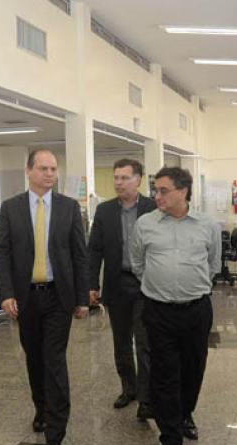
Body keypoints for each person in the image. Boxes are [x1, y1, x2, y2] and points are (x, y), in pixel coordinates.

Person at [0, 149, 89, 445]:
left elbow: (79, 254)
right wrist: (5, 292)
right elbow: (2, 252)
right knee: (34, 358)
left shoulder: (69, 208)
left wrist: (81, 298)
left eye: (53, 169)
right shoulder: (11, 208)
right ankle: (41, 407)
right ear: (28, 171)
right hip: (25, 298)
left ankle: (55, 433)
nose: (50, 174)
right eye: (44, 168)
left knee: (54, 360)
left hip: (58, 297)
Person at [130, 166, 220, 445]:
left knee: (193, 368)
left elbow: (213, 264)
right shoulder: (145, 224)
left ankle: (184, 414)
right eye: (156, 190)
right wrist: (160, 285)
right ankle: (170, 441)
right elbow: (137, 263)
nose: (157, 196)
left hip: (196, 309)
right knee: (164, 374)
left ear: (183, 191)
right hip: (158, 310)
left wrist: (189, 285)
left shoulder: (207, 224)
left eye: (163, 190)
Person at [88, 159, 156, 418]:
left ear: (138, 180)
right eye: (116, 177)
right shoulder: (104, 211)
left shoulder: (152, 208)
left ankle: (147, 397)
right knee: (121, 342)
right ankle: (129, 389)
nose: (118, 182)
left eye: (124, 178)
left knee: (144, 341)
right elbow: (94, 250)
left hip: (146, 285)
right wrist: (91, 284)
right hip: (117, 285)